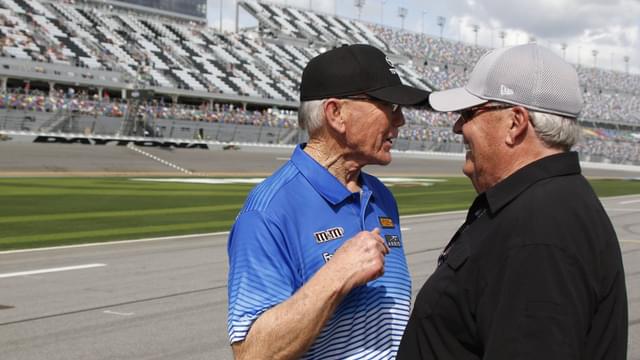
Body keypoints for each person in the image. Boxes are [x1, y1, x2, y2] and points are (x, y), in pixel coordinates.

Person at [397, 43, 628, 359]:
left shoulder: (540, 229)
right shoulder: (542, 205)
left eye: (468, 113)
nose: (457, 126)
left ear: (515, 123)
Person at [226, 44, 430, 359]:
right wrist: (337, 275)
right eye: (389, 105)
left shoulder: (381, 196)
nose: (401, 119)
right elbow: (252, 354)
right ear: (336, 114)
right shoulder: (268, 211)